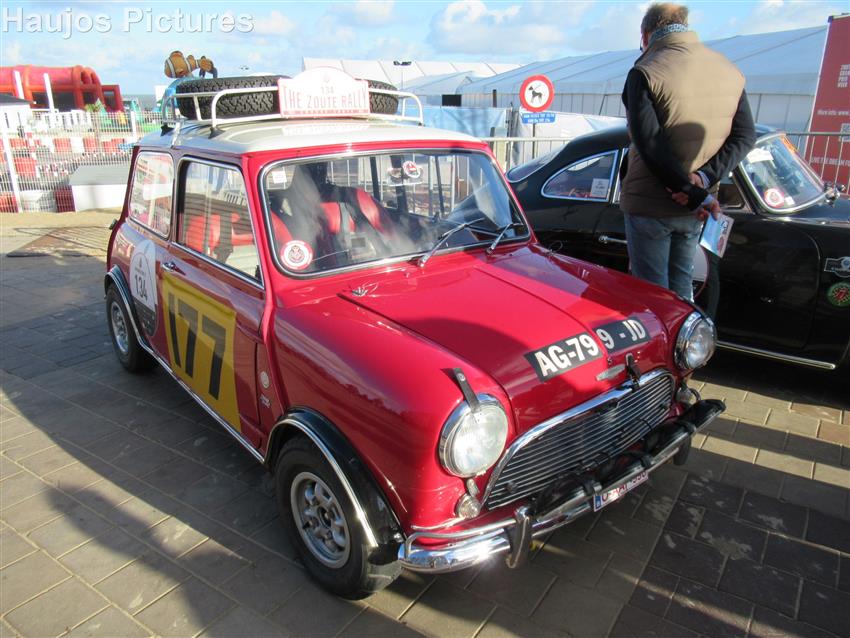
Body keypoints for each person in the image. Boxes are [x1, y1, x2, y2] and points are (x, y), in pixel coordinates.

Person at [619, 2, 755, 301]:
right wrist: (702, 181)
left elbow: (649, 142)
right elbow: (745, 136)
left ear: (645, 34)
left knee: (651, 294)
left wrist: (687, 190)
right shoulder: (730, 70)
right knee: (682, 286)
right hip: (696, 206)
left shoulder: (645, 71)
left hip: (651, 203)